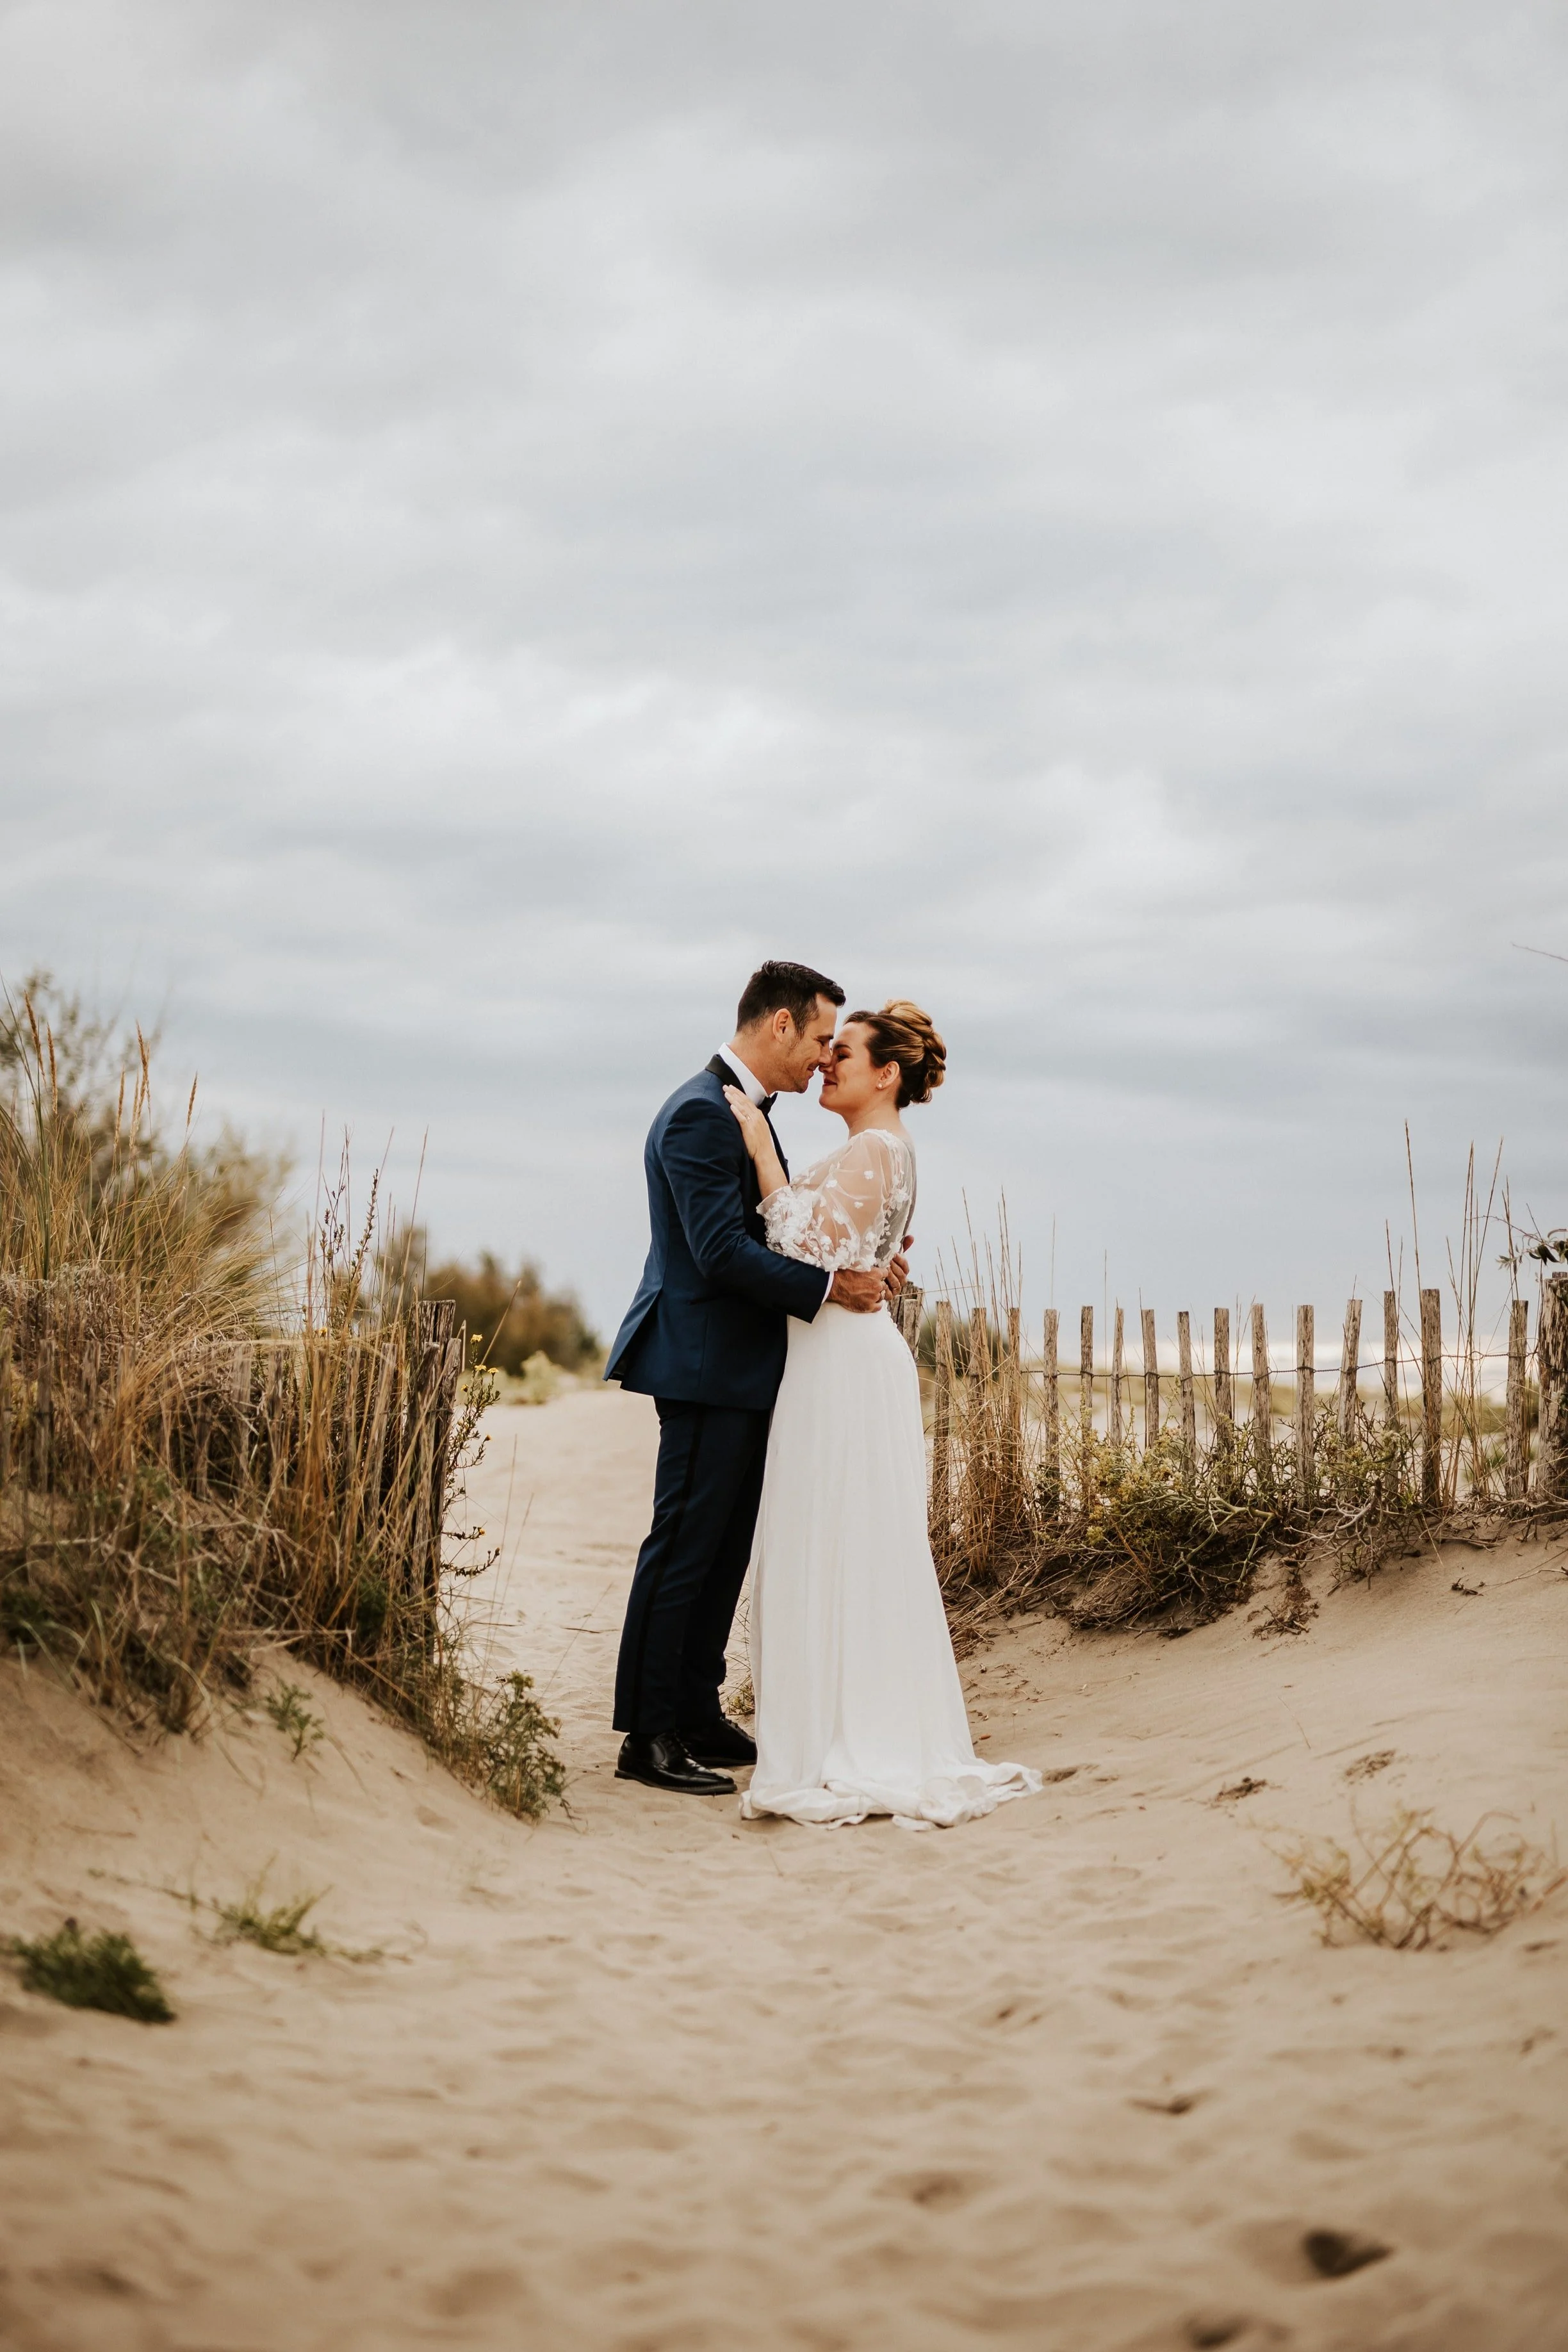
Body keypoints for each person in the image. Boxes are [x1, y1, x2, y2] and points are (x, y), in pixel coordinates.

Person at [724, 1000, 1040, 1829]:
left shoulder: (876, 1147)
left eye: (845, 1053)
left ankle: (850, 1734)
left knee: (842, 1539)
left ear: (887, 1073)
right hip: (836, 1358)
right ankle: (835, 1720)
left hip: (842, 1367)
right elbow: (844, 1248)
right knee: (837, 1539)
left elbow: (803, 1242)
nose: (827, 1063)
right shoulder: (875, 1150)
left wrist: (762, 1154)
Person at [606, 961, 907, 1795]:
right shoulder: (702, 1115)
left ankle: (696, 1709)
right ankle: (649, 1735)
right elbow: (720, 1254)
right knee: (683, 1549)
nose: (821, 1058)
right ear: (780, 1025)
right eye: (818, 1039)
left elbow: (779, 1232)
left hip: (742, 1367)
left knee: (723, 1549)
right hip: (702, 1364)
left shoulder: (743, 1114)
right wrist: (829, 1288)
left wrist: (860, 1258)